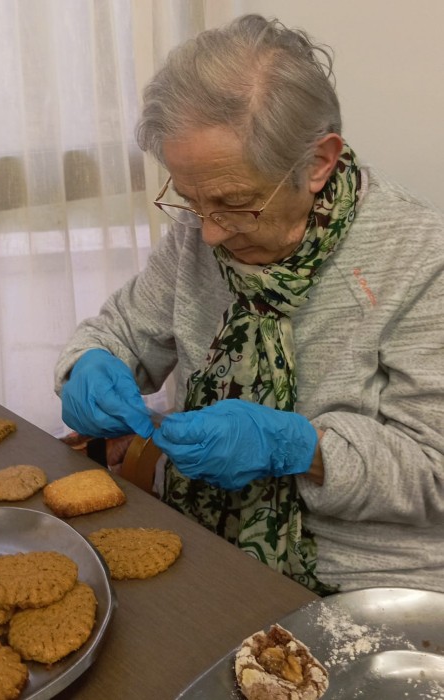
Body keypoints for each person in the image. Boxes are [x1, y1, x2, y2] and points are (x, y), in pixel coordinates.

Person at [54, 14, 444, 595]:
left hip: (360, 576)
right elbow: (120, 332)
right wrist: (89, 363)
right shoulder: (201, 228)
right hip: (201, 536)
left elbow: (434, 470)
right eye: (191, 200)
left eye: (235, 203)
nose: (209, 233)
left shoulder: (421, 256)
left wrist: (299, 448)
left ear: (319, 162)